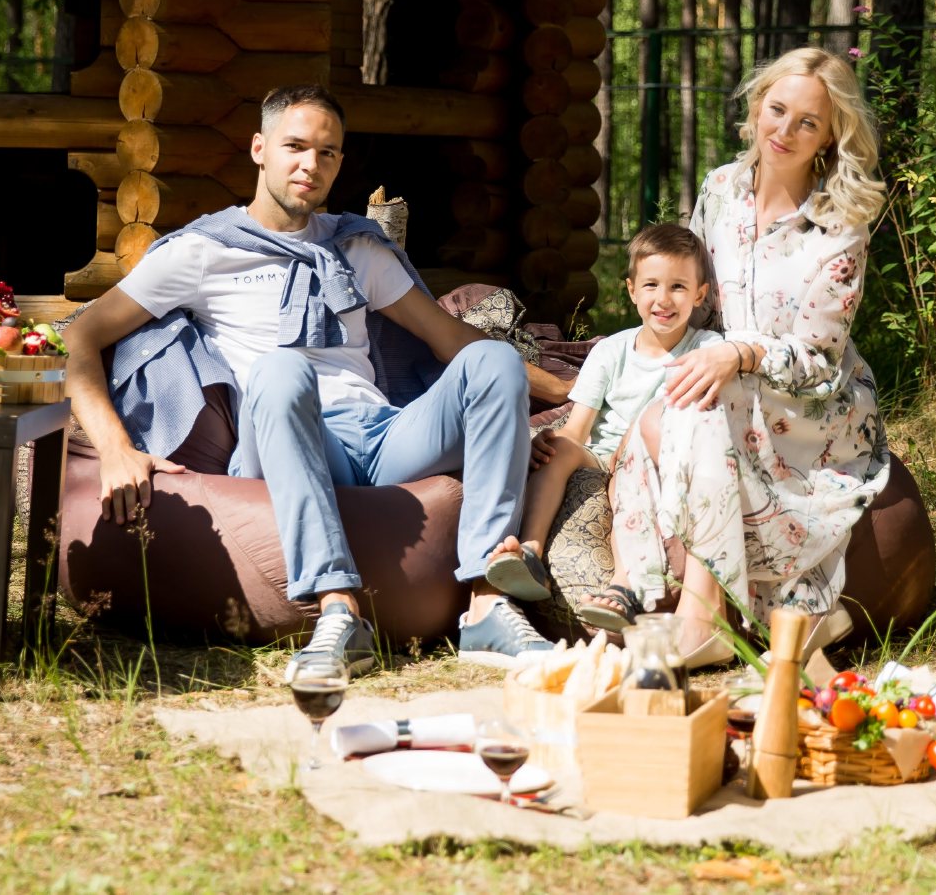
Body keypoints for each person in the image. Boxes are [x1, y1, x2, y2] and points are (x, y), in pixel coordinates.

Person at [62, 85, 572, 680]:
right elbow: (80, 336)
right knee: (281, 367)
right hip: (284, 433)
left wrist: (567, 392)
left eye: (327, 153)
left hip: (381, 436)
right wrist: (116, 448)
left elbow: (451, 341)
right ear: (259, 149)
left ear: (340, 162)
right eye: (295, 147)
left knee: (494, 360)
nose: (311, 164)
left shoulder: (357, 248)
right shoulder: (203, 252)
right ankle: (337, 611)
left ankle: (486, 603)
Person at [598, 47, 894, 666]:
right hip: (719, 370)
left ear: (829, 136)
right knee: (669, 408)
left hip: (810, 405)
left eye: (807, 122)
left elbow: (819, 360)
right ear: (758, 106)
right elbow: (696, 301)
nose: (784, 131)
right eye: (777, 110)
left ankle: (700, 617)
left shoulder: (841, 226)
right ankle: (647, 589)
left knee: (695, 405)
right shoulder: (719, 190)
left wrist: (738, 355)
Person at [477, 223, 723, 611]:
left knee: (629, 476)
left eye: (678, 286)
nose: (663, 299)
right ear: (631, 290)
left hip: (657, 459)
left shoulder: (706, 349)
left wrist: (631, 452)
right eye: (651, 285)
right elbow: (577, 429)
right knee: (558, 449)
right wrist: (546, 443)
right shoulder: (610, 351)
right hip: (603, 454)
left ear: (700, 294)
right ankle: (530, 552)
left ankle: (623, 584)